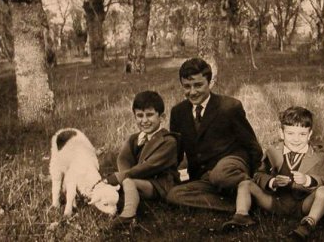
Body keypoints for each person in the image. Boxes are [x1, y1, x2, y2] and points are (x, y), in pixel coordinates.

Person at [223, 106, 324, 241]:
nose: (296, 139)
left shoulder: (319, 156)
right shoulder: (273, 152)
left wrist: (308, 180)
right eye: (290, 133)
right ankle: (242, 216)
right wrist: (272, 182)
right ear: (281, 133)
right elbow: (258, 175)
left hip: (303, 204)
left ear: (310, 134)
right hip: (274, 201)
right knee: (245, 184)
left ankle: (308, 224)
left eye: (302, 134)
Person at [166, 58, 263, 212]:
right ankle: (240, 203)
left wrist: (258, 174)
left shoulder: (229, 106)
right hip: (204, 176)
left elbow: (251, 145)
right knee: (174, 195)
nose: (192, 92)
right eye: (187, 86)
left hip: (231, 168)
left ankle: (251, 189)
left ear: (210, 83)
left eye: (198, 85)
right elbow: (176, 153)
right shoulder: (178, 112)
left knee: (220, 175)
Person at [105, 91, 180, 229]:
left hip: (160, 184)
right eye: (140, 116)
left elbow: (150, 166)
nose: (144, 120)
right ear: (134, 117)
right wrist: (123, 175)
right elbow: (123, 158)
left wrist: (121, 177)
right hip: (137, 179)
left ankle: (128, 216)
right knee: (121, 183)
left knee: (128, 181)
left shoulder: (168, 141)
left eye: (150, 115)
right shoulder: (134, 138)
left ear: (162, 117)